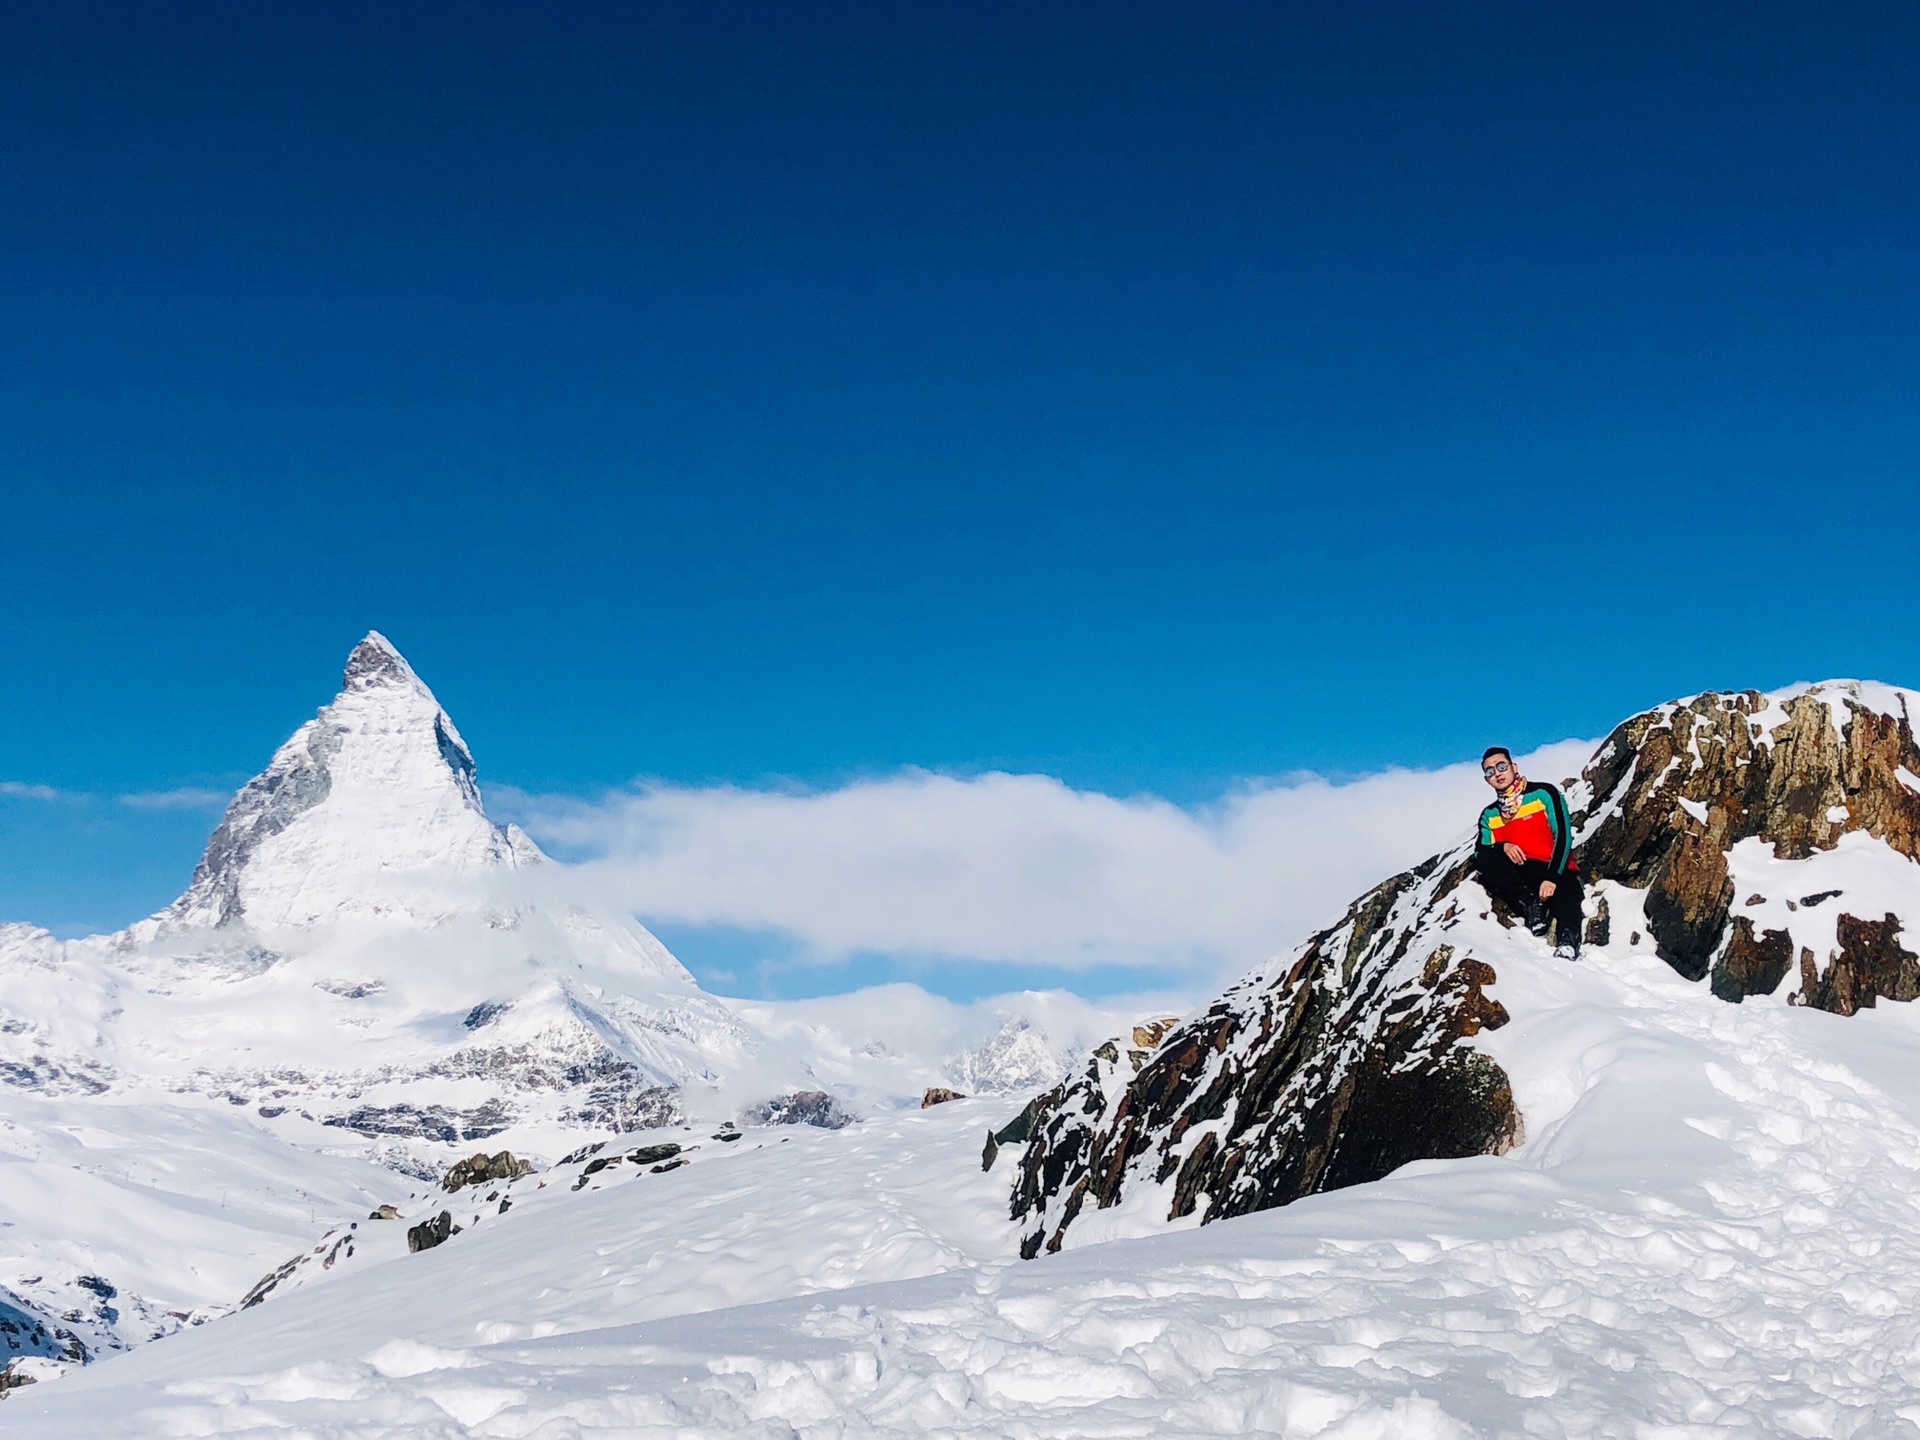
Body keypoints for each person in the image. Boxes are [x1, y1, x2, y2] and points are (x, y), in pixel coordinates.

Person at [1472, 746, 1584, 960]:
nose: (1497, 773)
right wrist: (1502, 845)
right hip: (1521, 872)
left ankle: (1568, 942)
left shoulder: (1543, 794)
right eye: (1489, 771)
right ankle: (1532, 907)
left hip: (1554, 868)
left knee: (1566, 895)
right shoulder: (1489, 815)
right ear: (1486, 780)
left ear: (1513, 767)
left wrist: (1551, 878)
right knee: (1489, 856)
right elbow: (1481, 854)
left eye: (1501, 766)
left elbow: (1563, 835)